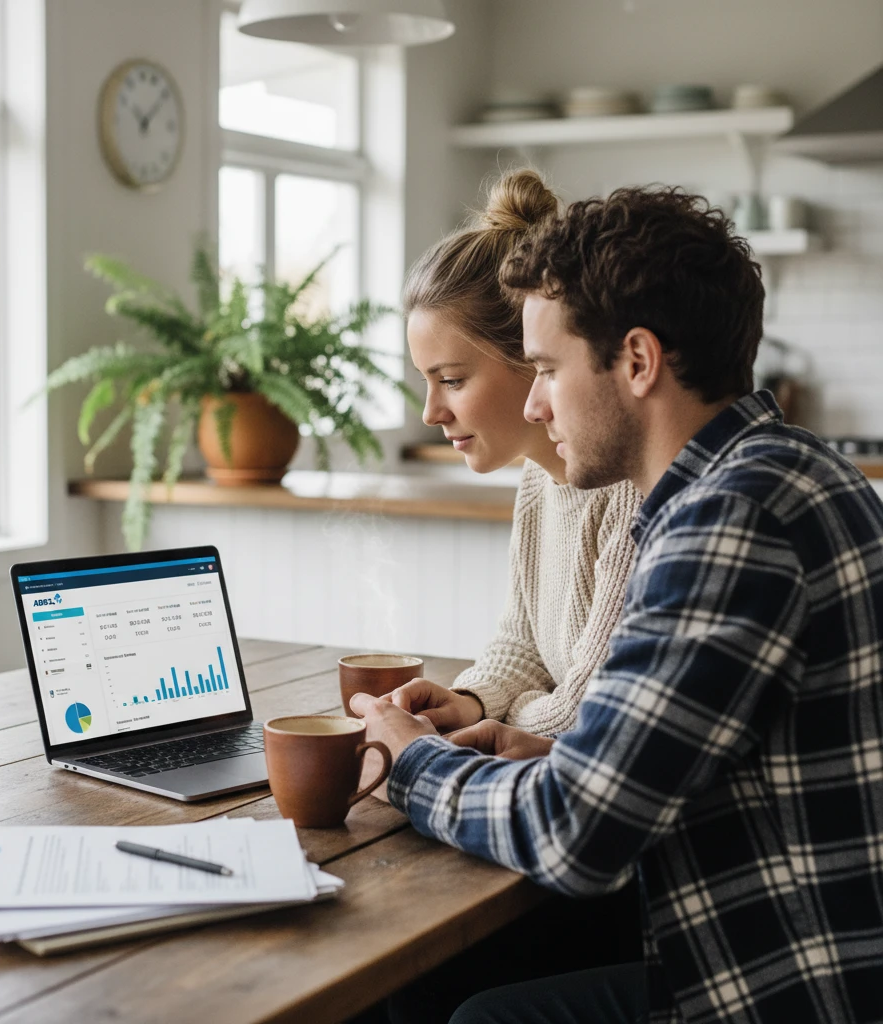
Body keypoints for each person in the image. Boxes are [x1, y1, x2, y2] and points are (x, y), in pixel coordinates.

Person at [354, 186, 883, 1024]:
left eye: (549, 370)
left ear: (637, 361)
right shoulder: (789, 469)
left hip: (784, 983)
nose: (533, 404)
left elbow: (575, 836)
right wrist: (543, 748)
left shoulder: (729, 523)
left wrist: (413, 761)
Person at [401, 168, 640, 738]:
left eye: (452, 380)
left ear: (530, 356)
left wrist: (517, 717)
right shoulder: (539, 477)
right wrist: (469, 702)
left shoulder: (634, 488)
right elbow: (523, 640)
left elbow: (586, 713)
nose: (430, 413)